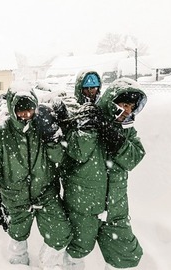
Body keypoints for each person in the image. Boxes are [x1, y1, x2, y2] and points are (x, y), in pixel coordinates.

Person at [0, 82, 72, 268]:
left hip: (46, 194)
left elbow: (59, 158)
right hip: (15, 197)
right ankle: (19, 264)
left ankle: (48, 262)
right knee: (17, 237)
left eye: (29, 109)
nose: (25, 114)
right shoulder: (0, 134)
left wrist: (53, 138)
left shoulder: (43, 128)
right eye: (20, 110)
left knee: (61, 233)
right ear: (12, 109)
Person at [62, 78, 147, 270]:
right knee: (78, 249)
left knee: (124, 255)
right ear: (112, 102)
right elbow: (77, 152)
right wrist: (90, 128)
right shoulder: (86, 121)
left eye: (131, 107)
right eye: (124, 105)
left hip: (115, 208)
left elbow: (134, 157)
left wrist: (115, 139)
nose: (127, 111)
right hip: (84, 206)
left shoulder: (126, 130)